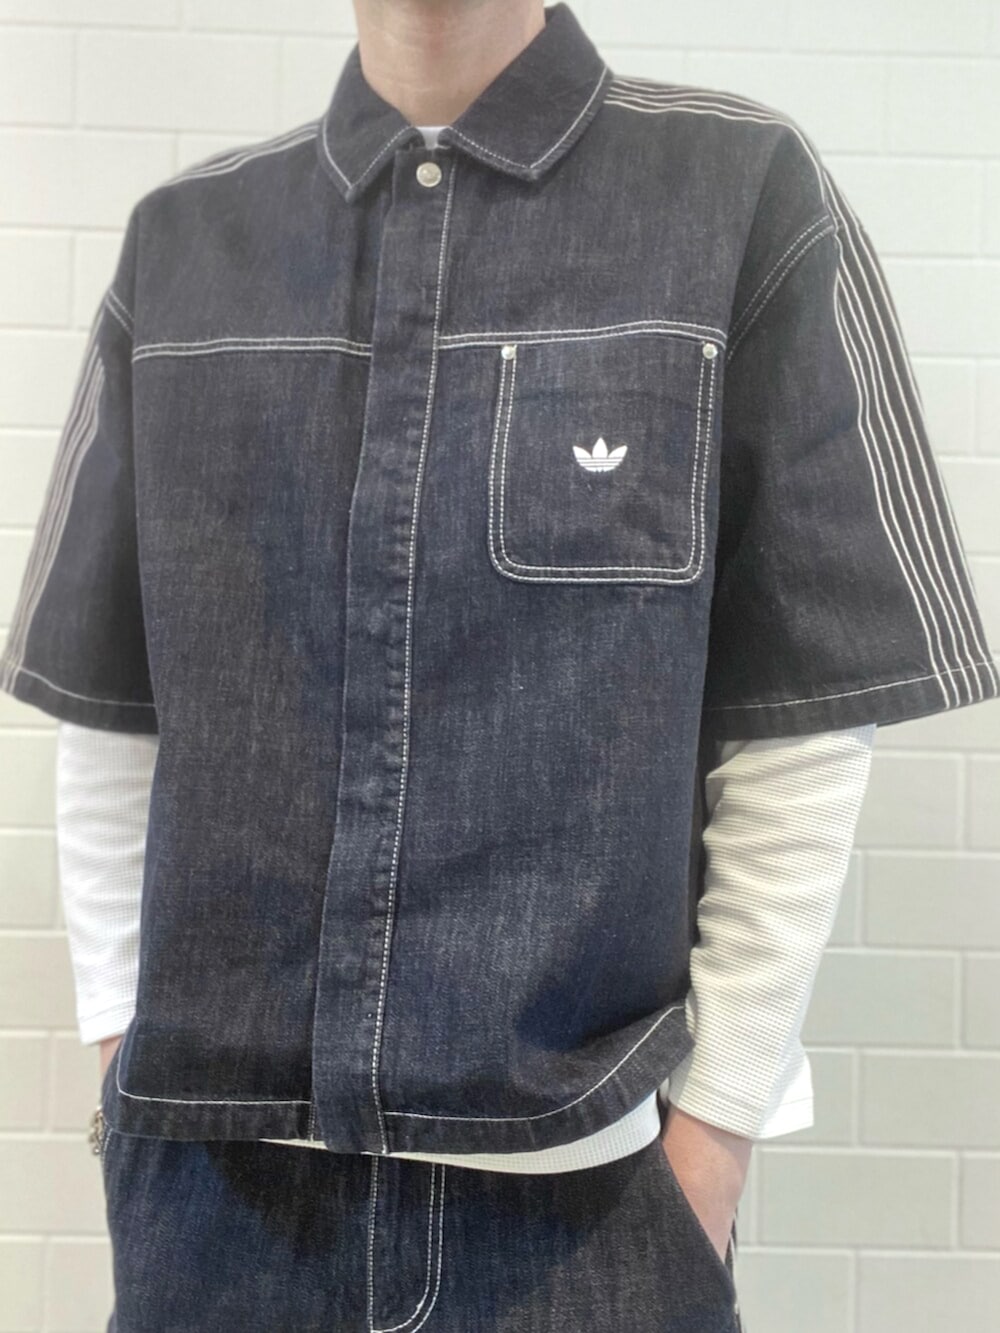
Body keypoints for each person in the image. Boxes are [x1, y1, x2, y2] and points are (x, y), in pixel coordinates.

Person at [4, 2, 997, 1328]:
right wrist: (124, 1071)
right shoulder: (187, 243)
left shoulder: (736, 195)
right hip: (213, 1208)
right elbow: (113, 710)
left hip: (589, 1219)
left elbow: (800, 720)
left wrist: (710, 1147)